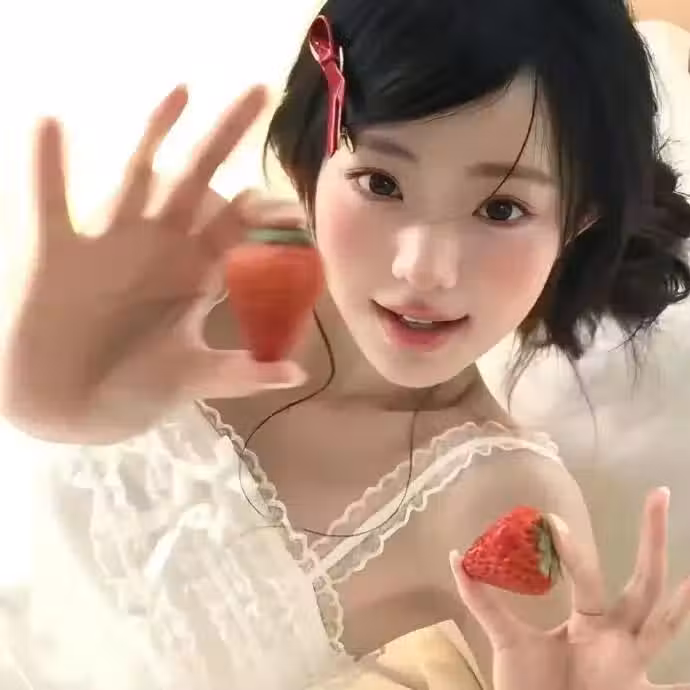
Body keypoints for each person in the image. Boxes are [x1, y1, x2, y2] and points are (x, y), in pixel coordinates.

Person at [1, 0, 689, 688]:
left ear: (578, 221)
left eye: (501, 209)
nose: (424, 268)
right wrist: (35, 398)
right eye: (381, 183)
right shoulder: (183, 265)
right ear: (309, 162)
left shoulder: (503, 503)